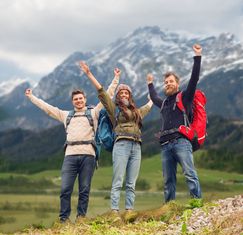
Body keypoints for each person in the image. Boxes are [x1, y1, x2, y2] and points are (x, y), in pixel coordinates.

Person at [25, 68, 121, 223]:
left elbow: (107, 95)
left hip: (88, 155)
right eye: (76, 99)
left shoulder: (94, 113)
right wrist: (31, 97)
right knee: (65, 189)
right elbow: (47, 108)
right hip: (70, 155)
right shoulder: (65, 115)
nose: (78, 101)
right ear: (72, 102)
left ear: (85, 99)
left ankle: (81, 218)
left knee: (84, 189)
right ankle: (64, 219)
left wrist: (116, 78)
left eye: (80, 98)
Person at [80, 61, 153, 217]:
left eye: (127, 93)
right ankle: (114, 211)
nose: (124, 95)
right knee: (118, 180)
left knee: (131, 182)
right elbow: (102, 93)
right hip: (121, 145)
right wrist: (89, 73)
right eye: (122, 93)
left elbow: (148, 107)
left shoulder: (137, 112)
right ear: (118, 96)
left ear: (130, 96)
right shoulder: (114, 110)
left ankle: (129, 211)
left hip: (136, 146)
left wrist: (152, 98)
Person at [147, 44, 202, 202]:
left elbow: (194, 79)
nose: (168, 83)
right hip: (165, 146)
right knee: (168, 181)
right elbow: (154, 96)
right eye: (166, 82)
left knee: (190, 174)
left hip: (182, 142)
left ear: (177, 84)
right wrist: (150, 83)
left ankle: (196, 205)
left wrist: (197, 57)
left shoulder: (185, 97)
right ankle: (168, 208)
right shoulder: (163, 103)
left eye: (171, 81)